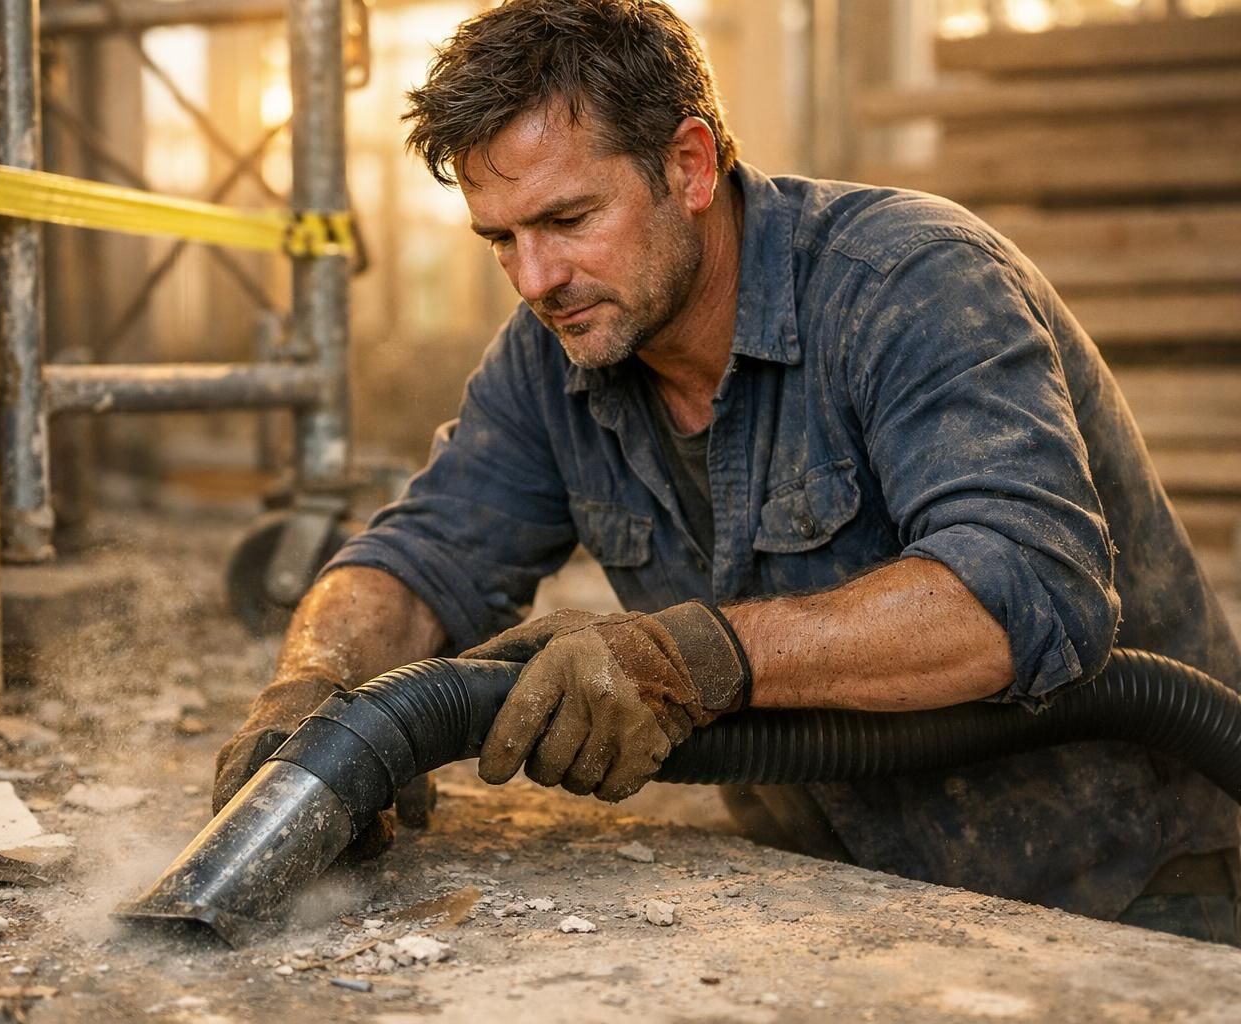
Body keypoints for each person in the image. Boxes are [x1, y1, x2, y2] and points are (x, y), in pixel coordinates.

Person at [212, 0, 1241, 942]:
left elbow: (1022, 592)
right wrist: (314, 680)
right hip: (846, 900)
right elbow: (426, 549)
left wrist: (689, 657)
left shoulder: (911, 283)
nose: (535, 279)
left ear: (692, 165)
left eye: (569, 221)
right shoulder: (557, 352)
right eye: (502, 240)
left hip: (1122, 894)